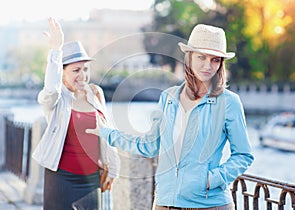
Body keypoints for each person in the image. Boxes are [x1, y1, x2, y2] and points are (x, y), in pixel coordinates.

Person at [86, 23, 254, 210]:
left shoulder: (228, 102)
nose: (208, 66)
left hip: (210, 205)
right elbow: (150, 146)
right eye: (201, 57)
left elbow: (243, 155)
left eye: (215, 60)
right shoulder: (168, 97)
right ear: (189, 57)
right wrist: (107, 133)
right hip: (165, 203)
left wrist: (211, 179)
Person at [32, 17, 120, 210]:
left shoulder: (96, 93)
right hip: (61, 179)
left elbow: (107, 131)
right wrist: (56, 50)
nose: (83, 75)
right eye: (76, 70)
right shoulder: (56, 100)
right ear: (62, 73)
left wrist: (113, 169)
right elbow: (51, 90)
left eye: (85, 69)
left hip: (91, 181)